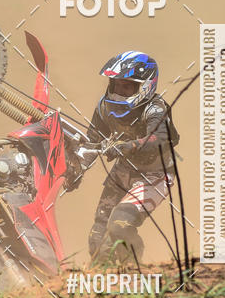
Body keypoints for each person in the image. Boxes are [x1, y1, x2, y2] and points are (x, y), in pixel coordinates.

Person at [67, 51, 180, 264]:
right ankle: (104, 284)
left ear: (145, 86)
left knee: (120, 225)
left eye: (127, 86)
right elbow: (92, 142)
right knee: (97, 236)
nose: (119, 91)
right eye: (116, 84)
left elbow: (160, 139)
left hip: (154, 175)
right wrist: (75, 169)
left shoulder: (155, 107)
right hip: (122, 172)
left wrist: (127, 146)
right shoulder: (104, 106)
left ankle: (134, 269)